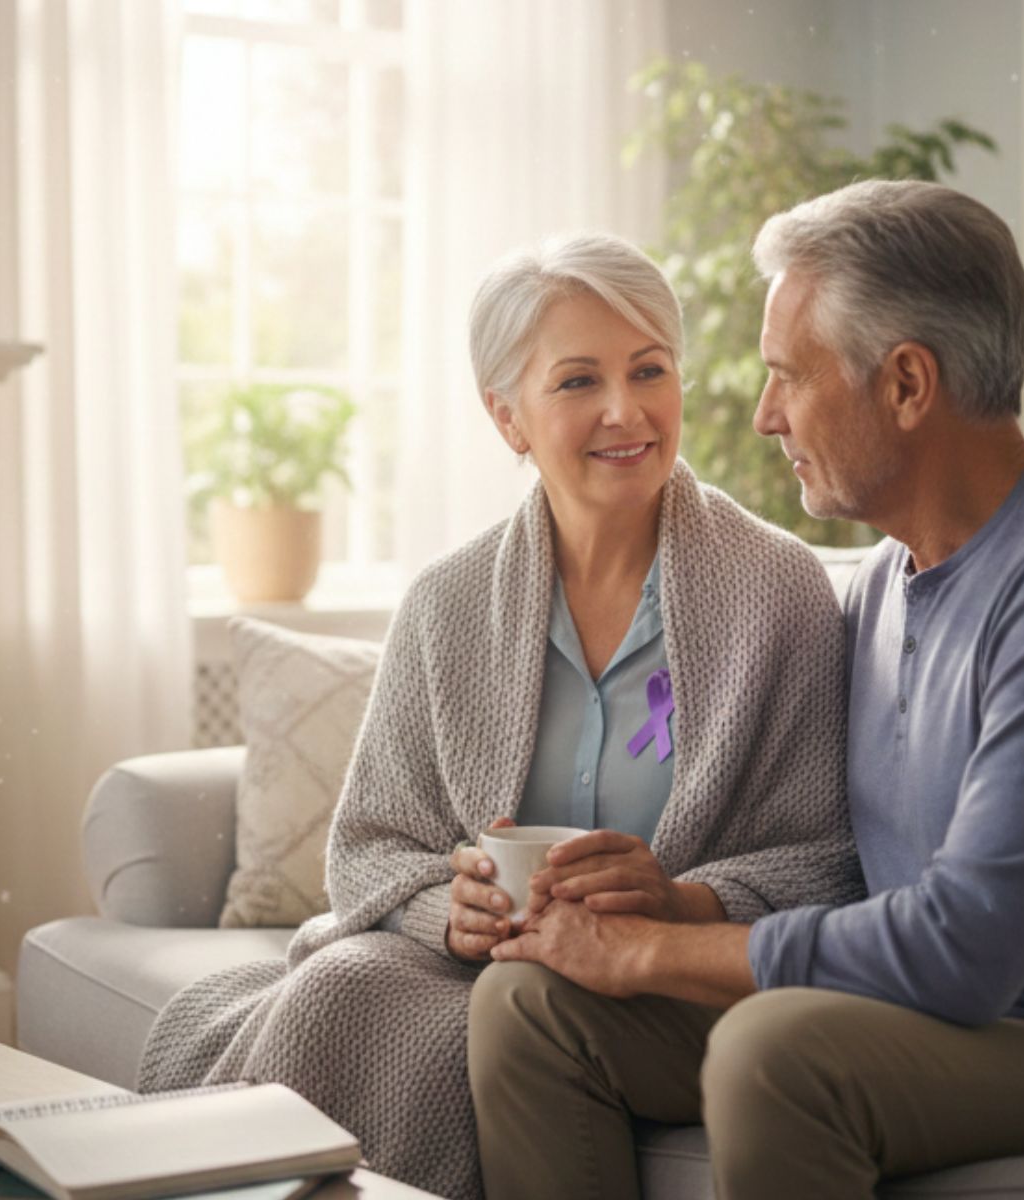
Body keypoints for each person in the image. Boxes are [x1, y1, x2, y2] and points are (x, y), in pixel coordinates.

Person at [472, 181, 1024, 1198]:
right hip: (926, 1024)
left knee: (779, 1051)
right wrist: (672, 904)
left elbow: (962, 947)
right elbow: (859, 880)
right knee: (530, 1004)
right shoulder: (879, 585)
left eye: (788, 377)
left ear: (905, 384)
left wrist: (644, 952)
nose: (764, 416)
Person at [136, 233, 861, 1200]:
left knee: (436, 1009)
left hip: (668, 990)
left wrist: (680, 901)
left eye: (650, 370)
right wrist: (453, 909)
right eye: (576, 382)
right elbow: (367, 847)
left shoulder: (778, 591)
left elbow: (825, 859)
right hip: (476, 973)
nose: (625, 410)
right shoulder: (447, 602)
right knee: (345, 986)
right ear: (506, 416)